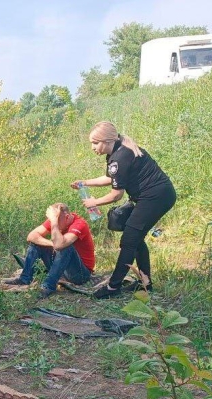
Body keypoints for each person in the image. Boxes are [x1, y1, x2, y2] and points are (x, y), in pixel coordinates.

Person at [72, 121, 176, 298]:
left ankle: (113, 287)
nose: (92, 147)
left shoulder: (119, 158)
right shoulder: (119, 150)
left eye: (95, 143)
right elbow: (112, 178)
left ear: (107, 140)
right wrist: (85, 182)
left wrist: (94, 202)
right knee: (135, 237)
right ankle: (145, 283)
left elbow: (116, 195)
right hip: (156, 195)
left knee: (129, 240)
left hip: (155, 197)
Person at [5, 203, 95, 299]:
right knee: (37, 243)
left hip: (80, 273)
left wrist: (54, 222)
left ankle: (48, 286)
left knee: (65, 247)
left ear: (67, 217)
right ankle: (24, 279)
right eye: (53, 220)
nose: (53, 223)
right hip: (63, 266)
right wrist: (52, 244)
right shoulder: (56, 220)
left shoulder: (80, 224)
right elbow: (31, 236)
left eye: (55, 220)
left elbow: (60, 245)